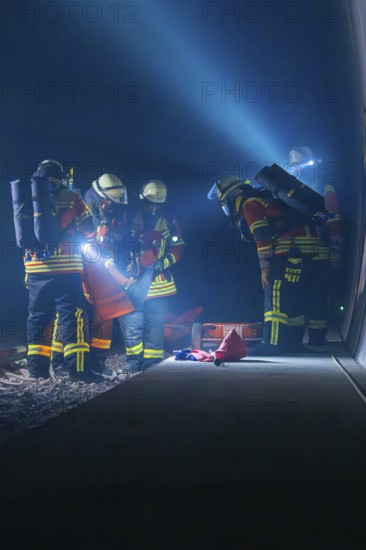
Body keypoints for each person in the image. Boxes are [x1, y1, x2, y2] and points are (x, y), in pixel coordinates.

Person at [207, 176, 320, 355]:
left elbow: (262, 236)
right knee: (292, 299)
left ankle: (272, 343)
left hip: (288, 252)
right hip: (304, 252)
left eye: (225, 202)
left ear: (232, 195)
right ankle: (292, 343)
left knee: (274, 294)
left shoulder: (249, 204)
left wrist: (265, 268)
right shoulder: (264, 199)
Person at [15, 160, 103, 382]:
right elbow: (89, 229)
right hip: (66, 267)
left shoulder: (27, 198)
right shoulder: (71, 196)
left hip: (34, 269)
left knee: (38, 318)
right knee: (72, 317)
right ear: (61, 176)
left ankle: (37, 371)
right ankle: (78, 370)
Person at [83, 173, 153, 376]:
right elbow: (92, 243)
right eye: (108, 202)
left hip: (111, 272)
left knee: (121, 315)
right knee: (96, 319)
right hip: (93, 273)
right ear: (98, 197)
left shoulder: (116, 212)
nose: (110, 206)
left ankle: (126, 361)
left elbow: (122, 238)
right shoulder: (87, 211)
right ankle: (89, 362)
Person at [126, 180, 185, 370]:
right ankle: (134, 361)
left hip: (158, 282)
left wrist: (162, 263)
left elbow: (177, 248)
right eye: (149, 204)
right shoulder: (128, 217)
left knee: (155, 323)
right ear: (141, 200)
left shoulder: (169, 220)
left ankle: (152, 362)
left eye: (157, 205)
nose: (152, 209)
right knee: (132, 322)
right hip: (133, 280)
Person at [288, 147, 343, 348]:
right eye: (292, 162)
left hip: (319, 253)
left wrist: (335, 249)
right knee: (294, 297)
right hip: (293, 255)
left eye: (299, 162)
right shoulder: (287, 188)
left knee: (317, 297)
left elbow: (334, 220)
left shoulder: (323, 187)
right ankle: (293, 341)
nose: (295, 167)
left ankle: (317, 339)